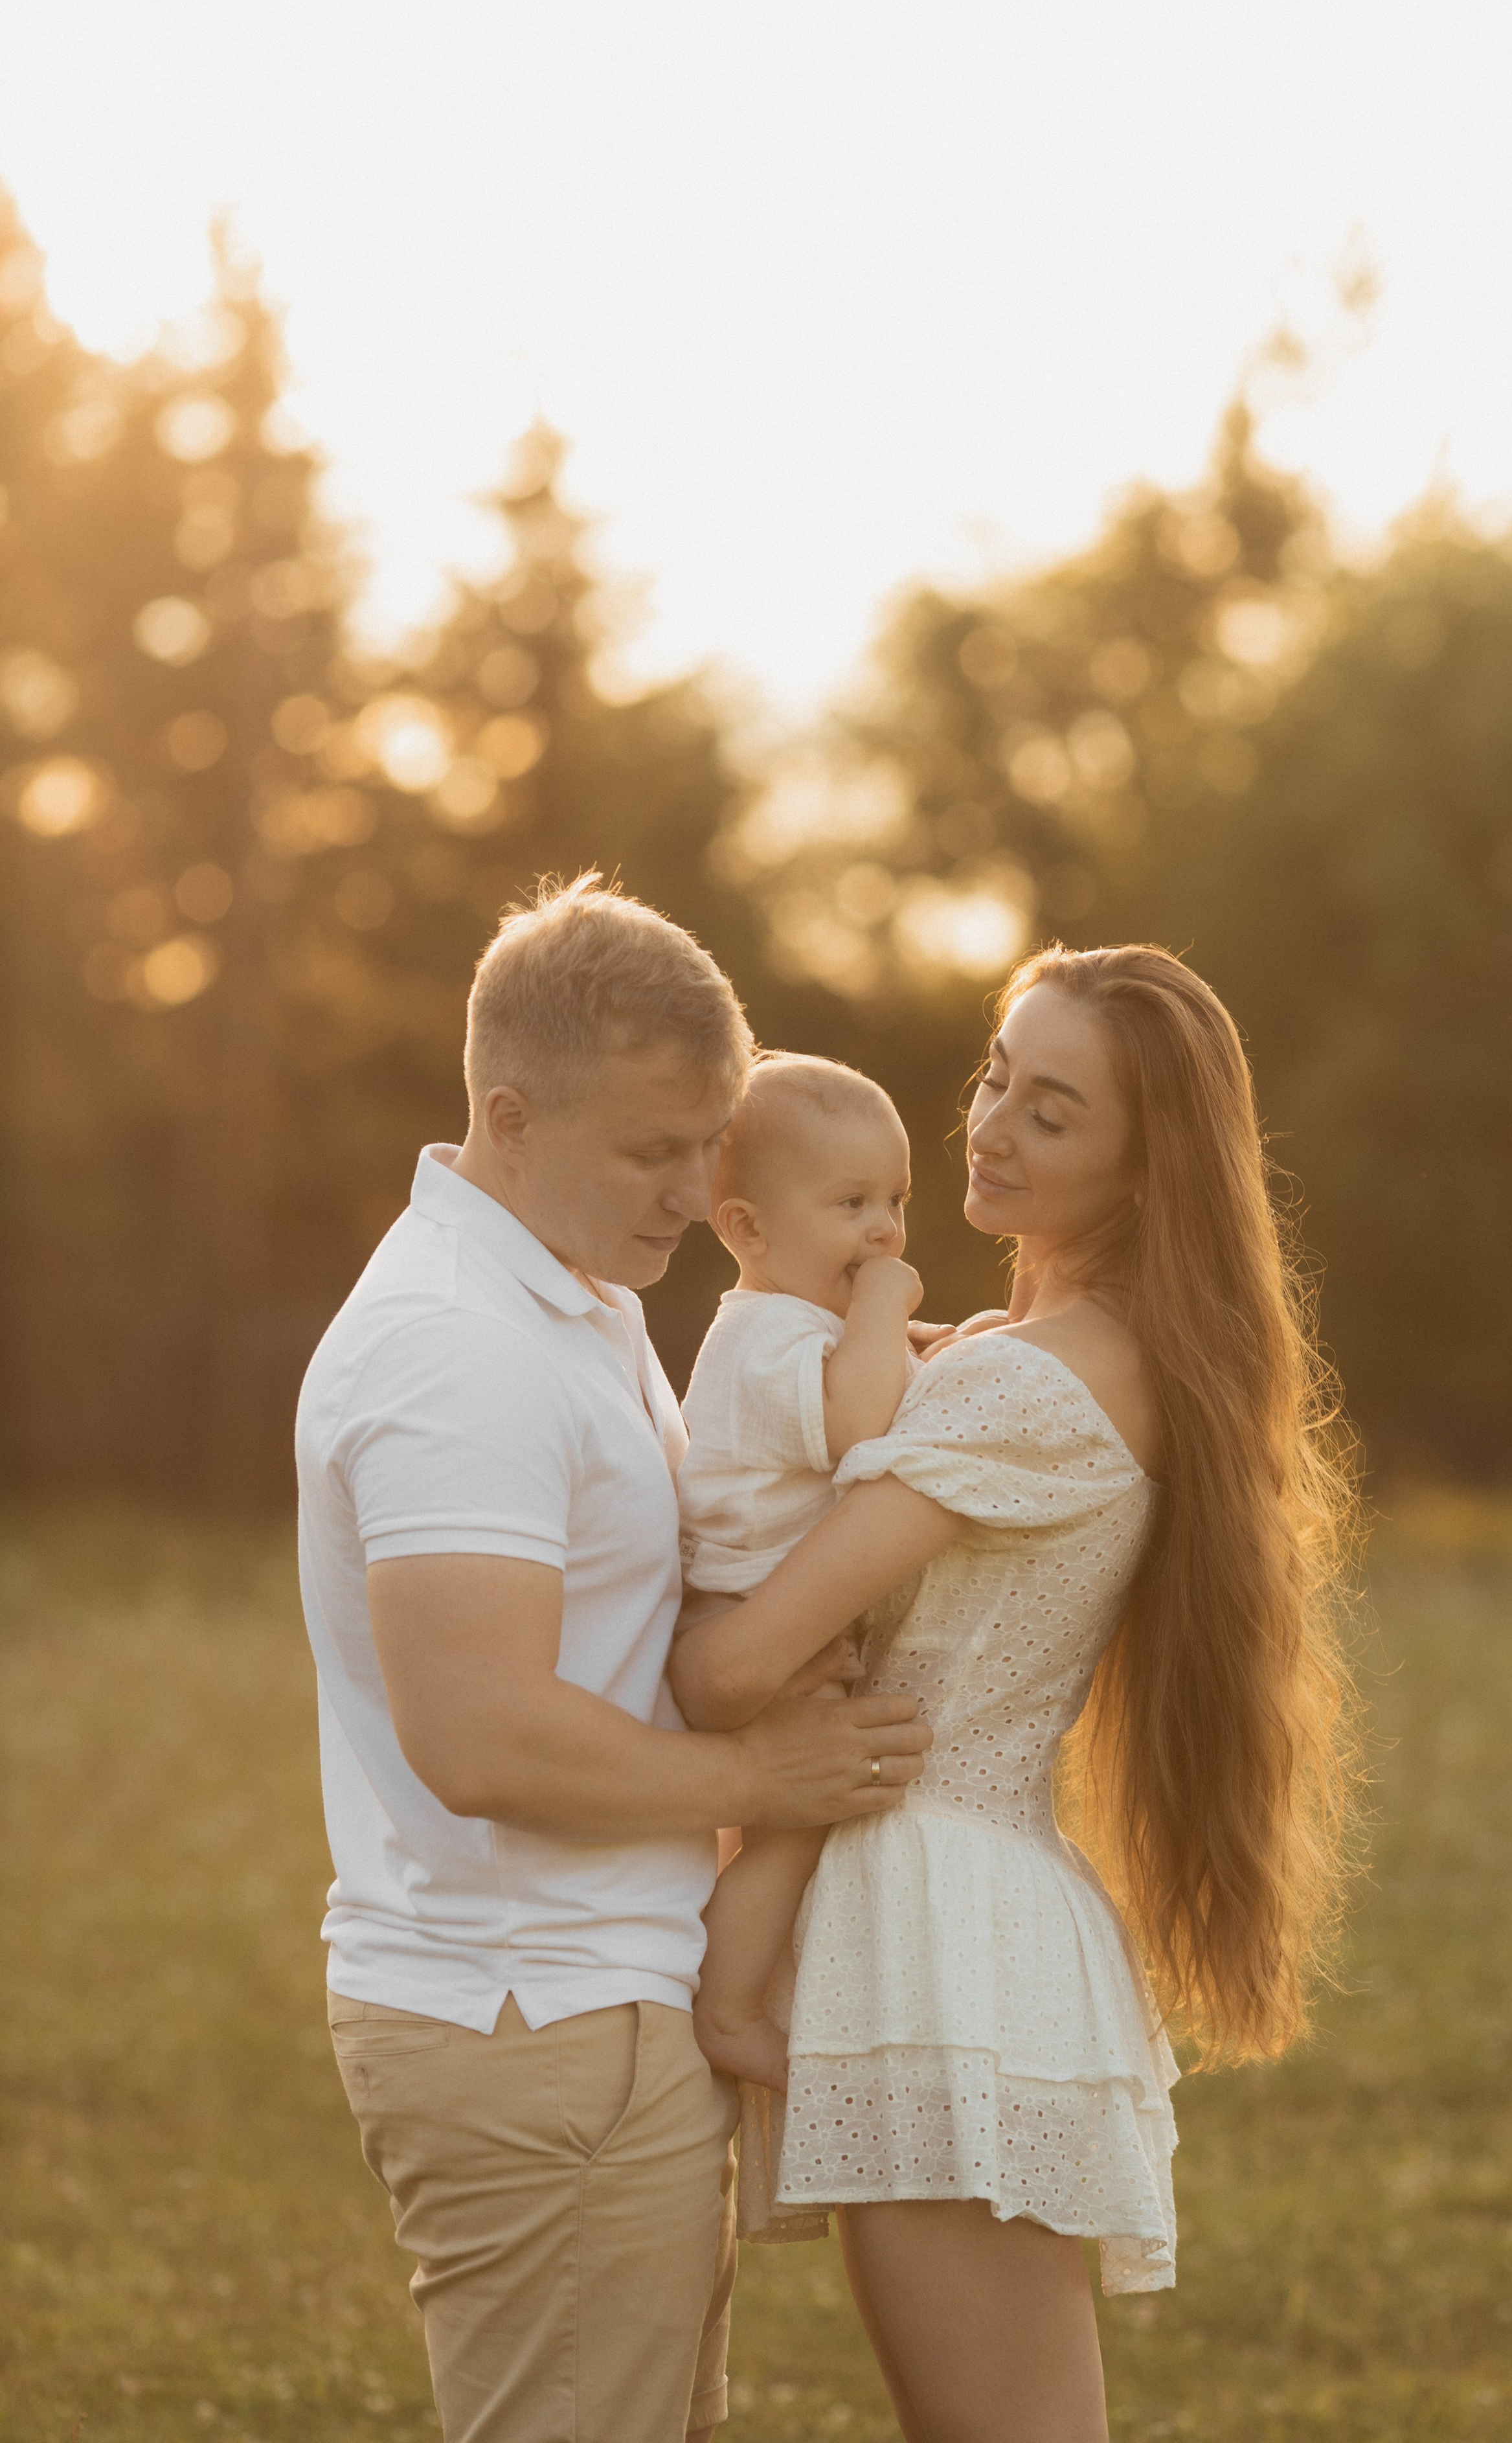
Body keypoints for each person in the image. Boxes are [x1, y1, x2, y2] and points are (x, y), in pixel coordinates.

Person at [671, 942, 1360, 2443]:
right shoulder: (1028, 1355)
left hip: (934, 1935)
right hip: (960, 1905)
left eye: (1051, 1112)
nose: (988, 1126)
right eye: (996, 1075)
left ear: (1139, 1166)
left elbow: (728, 1669)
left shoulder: (1030, 1381)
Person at [294, 875, 932, 2443]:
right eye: (651, 1152)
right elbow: (480, 1736)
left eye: (703, 1147)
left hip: (595, 2001)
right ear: (509, 1120)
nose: (685, 1191)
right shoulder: (458, 1346)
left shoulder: (574, 1296)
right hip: (529, 2019)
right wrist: (754, 1774)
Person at [675, 1054, 926, 2098]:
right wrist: (892, 1309)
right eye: (852, 1204)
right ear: (747, 1232)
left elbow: (879, 1383)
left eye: (897, 1202)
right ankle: (728, 2012)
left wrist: (920, 1338)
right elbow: (859, 1417)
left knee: (801, 1825)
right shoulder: (763, 1335)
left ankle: (747, 1992)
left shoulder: (806, 1328)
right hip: (749, 1616)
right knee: (789, 1828)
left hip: (774, 1607)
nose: (884, 1232)